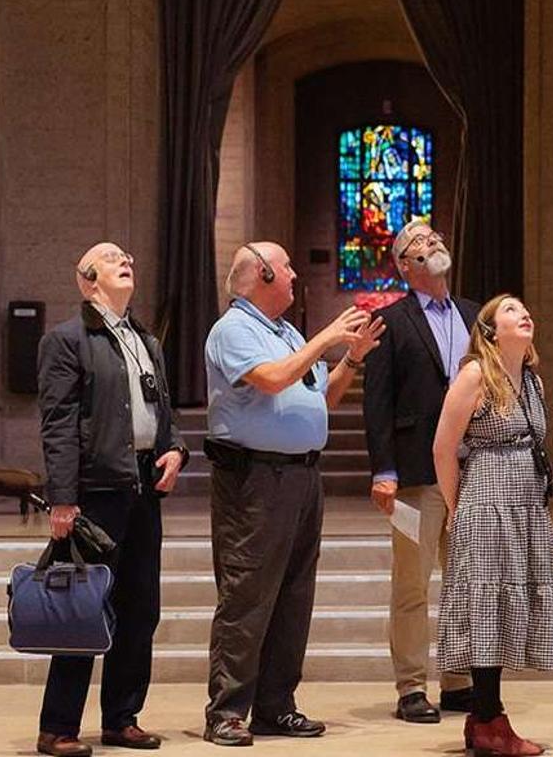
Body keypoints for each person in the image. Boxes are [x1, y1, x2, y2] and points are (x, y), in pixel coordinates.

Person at [201, 242, 384, 746]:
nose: (295, 273)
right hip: (255, 479)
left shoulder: (284, 332)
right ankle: (226, 711)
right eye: (285, 267)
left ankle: (276, 705)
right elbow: (273, 379)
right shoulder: (234, 329)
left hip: (301, 477)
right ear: (260, 274)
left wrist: (350, 357)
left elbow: (320, 397)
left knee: (293, 596)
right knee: (248, 595)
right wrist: (325, 336)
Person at [35, 243, 187, 757]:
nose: (127, 259)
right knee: (83, 609)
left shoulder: (145, 339)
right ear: (88, 279)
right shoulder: (67, 340)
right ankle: (58, 727)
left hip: (143, 489)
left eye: (128, 255)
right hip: (95, 493)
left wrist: (175, 449)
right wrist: (62, 498)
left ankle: (122, 718)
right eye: (112, 256)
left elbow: (161, 409)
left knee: (140, 609)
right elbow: (57, 425)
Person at [432, 294, 553, 756]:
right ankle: (490, 720)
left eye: (526, 308)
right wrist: (457, 508)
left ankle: (484, 715)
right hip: (487, 499)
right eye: (510, 310)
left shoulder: (531, 380)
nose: (524, 313)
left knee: (506, 606)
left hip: (524, 502)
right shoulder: (475, 375)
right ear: (490, 329)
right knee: (486, 603)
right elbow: (443, 448)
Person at [361, 218, 482, 723]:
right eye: (419, 243)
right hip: (413, 474)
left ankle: (459, 681)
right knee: (411, 584)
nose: (432, 243)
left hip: (471, 472)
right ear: (406, 266)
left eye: (434, 237)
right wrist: (383, 469)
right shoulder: (392, 320)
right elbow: (377, 403)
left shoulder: (476, 317)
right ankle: (411, 686)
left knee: (466, 581)